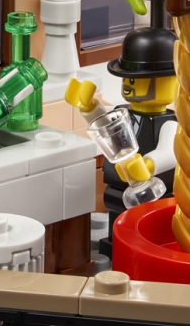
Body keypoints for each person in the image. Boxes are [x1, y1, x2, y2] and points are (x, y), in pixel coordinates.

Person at [66, 27, 178, 255]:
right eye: (127, 78)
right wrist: (89, 107)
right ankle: (116, 245)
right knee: (117, 217)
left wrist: (148, 165)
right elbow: (105, 126)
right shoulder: (122, 112)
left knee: (149, 225)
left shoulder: (168, 122)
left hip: (154, 193)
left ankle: (145, 248)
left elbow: (171, 152)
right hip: (119, 186)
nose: (129, 83)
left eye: (136, 79)